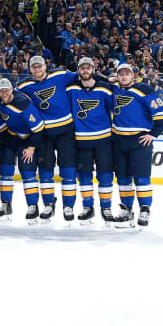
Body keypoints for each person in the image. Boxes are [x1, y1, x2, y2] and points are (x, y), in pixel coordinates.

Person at [18, 56, 79, 223]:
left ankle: (68, 206)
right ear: (30, 69)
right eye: (34, 67)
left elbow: (82, 74)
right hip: (44, 135)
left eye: (40, 66)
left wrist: (110, 79)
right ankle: (49, 205)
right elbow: (9, 96)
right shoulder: (24, 86)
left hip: (66, 131)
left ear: (46, 66)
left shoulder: (60, 75)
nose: (37, 70)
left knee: (68, 172)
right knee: (46, 172)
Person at [111, 63, 163, 228]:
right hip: (118, 141)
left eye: (127, 73)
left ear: (133, 75)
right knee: (123, 178)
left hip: (139, 141)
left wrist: (153, 134)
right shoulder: (114, 89)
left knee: (141, 177)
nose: (124, 76)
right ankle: (126, 210)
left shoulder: (144, 89)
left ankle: (145, 209)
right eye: (120, 74)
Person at [66, 57, 115, 225]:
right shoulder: (71, 88)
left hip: (104, 140)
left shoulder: (106, 89)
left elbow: (114, 109)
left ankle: (106, 208)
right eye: (82, 68)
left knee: (106, 176)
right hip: (81, 140)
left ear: (93, 69)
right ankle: (88, 208)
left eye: (88, 68)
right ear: (78, 70)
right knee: (85, 177)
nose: (85, 71)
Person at [0, 79, 45, 223]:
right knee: (5, 171)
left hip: (27, 140)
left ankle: (33, 206)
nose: (4, 93)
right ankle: (6, 204)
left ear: (12, 89)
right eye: (1, 90)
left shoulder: (23, 103)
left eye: (6, 90)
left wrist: (32, 147)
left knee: (27, 173)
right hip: (11, 137)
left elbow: (39, 128)